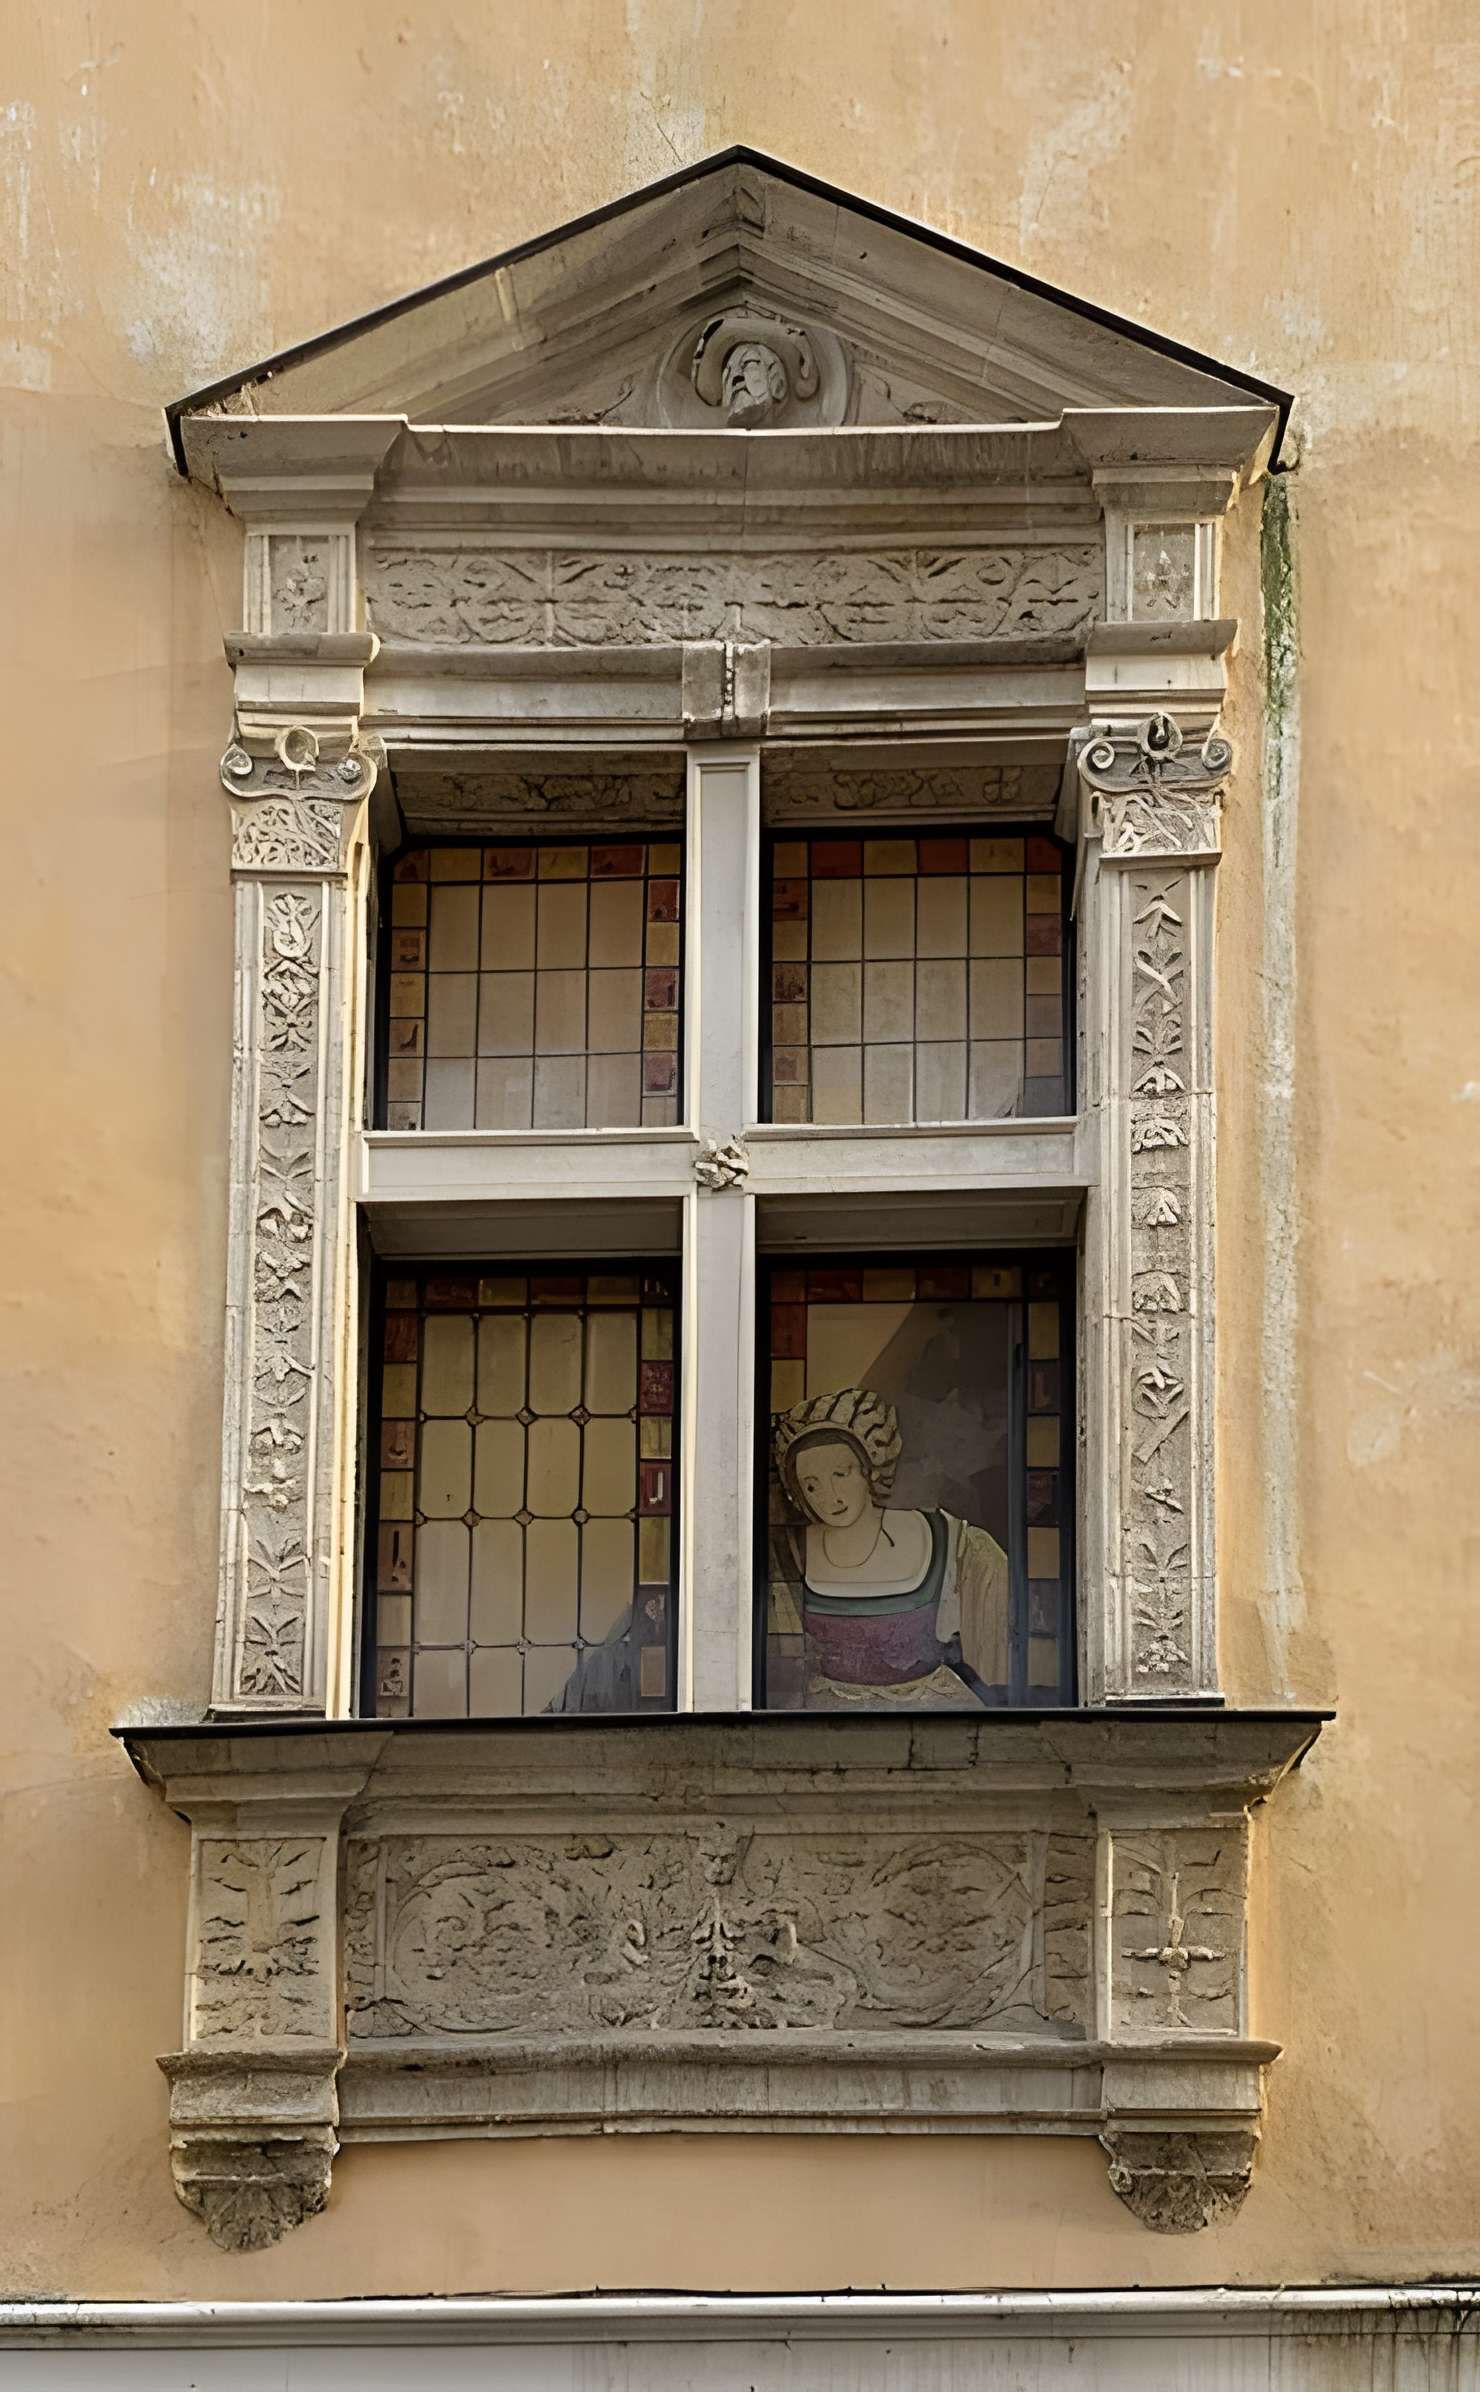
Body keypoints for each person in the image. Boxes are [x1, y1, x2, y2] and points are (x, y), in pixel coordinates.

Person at [771, 1387, 1009, 1710]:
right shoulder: (792, 1552)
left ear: (870, 1468)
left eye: (840, 1475)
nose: (829, 1496)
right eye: (811, 1485)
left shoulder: (948, 1541)